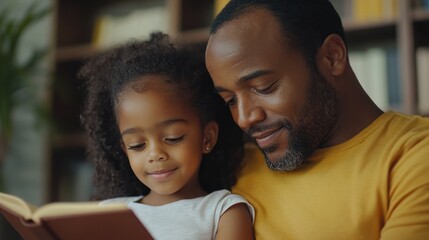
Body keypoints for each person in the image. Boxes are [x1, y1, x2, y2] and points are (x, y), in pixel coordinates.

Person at [205, 0, 429, 239]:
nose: (244, 118)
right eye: (230, 100)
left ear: (333, 57)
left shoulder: (413, 156)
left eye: (264, 87)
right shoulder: (232, 164)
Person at [79, 32, 254, 240]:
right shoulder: (108, 213)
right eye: (137, 145)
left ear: (207, 138)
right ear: (124, 149)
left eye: (173, 138)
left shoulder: (224, 211)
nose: (155, 154)